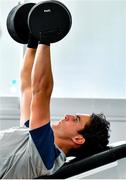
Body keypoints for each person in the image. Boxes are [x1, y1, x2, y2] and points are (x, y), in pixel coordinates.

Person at [0, 34, 110, 179]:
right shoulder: (33, 138)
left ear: (78, 139)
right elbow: (27, 87)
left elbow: (41, 90)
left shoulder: (46, 154)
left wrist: (45, 38)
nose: (68, 115)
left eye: (76, 119)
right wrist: (32, 42)